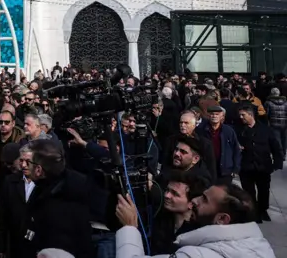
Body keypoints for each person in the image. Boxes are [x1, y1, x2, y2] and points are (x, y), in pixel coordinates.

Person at [115, 184, 275, 258]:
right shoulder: (261, 247)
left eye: (204, 199)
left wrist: (129, 227)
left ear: (222, 219)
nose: (195, 201)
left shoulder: (196, 255)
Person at [236, 104, 284, 222]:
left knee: (264, 190)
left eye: (243, 115)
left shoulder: (265, 130)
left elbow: (276, 147)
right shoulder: (238, 130)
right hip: (246, 166)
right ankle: (254, 212)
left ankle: (263, 210)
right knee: (248, 191)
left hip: (263, 166)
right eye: (240, 115)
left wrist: (277, 163)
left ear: (251, 115)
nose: (241, 117)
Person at [147, 172, 207, 254]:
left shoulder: (196, 235)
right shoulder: (160, 218)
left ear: (191, 203)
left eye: (175, 194)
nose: (167, 195)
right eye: (167, 190)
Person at [197, 105, 241, 181]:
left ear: (222, 116)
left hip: (225, 170)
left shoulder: (228, 131)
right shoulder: (201, 130)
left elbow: (236, 149)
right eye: (212, 114)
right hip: (207, 169)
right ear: (208, 115)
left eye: (217, 114)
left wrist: (235, 168)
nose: (214, 116)